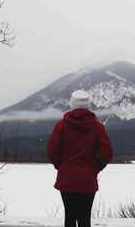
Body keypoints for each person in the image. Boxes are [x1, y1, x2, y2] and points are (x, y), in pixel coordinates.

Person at [47, 90, 113, 227]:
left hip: (67, 178)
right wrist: (95, 168)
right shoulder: (98, 127)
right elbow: (107, 153)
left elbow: (52, 150)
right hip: (87, 179)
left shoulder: (61, 125)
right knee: (84, 218)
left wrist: (62, 166)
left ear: (71, 104)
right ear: (88, 105)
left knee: (70, 217)